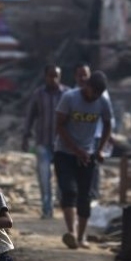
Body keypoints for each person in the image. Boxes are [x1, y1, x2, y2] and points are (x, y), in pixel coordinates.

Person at [54, 70, 113, 249]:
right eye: (92, 91)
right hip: (64, 152)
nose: (94, 96)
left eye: (98, 93)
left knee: (85, 195)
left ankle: (82, 237)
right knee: (68, 191)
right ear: (86, 85)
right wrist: (75, 149)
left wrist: (101, 149)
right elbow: (60, 125)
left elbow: (108, 124)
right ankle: (71, 233)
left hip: (87, 155)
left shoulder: (102, 102)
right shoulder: (69, 98)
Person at [22, 65, 66, 219]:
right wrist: (25, 136)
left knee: (63, 178)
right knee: (44, 177)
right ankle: (47, 209)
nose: (53, 79)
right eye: (50, 76)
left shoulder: (67, 94)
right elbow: (30, 116)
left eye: (56, 76)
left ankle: (63, 204)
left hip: (63, 144)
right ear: (45, 76)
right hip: (43, 142)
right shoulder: (38, 94)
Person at [74, 64, 114, 203]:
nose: (83, 78)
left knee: (94, 166)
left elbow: (108, 118)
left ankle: (93, 195)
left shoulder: (101, 92)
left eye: (86, 75)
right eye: (80, 75)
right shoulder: (73, 93)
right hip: (78, 136)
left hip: (96, 135)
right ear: (76, 76)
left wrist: (109, 136)